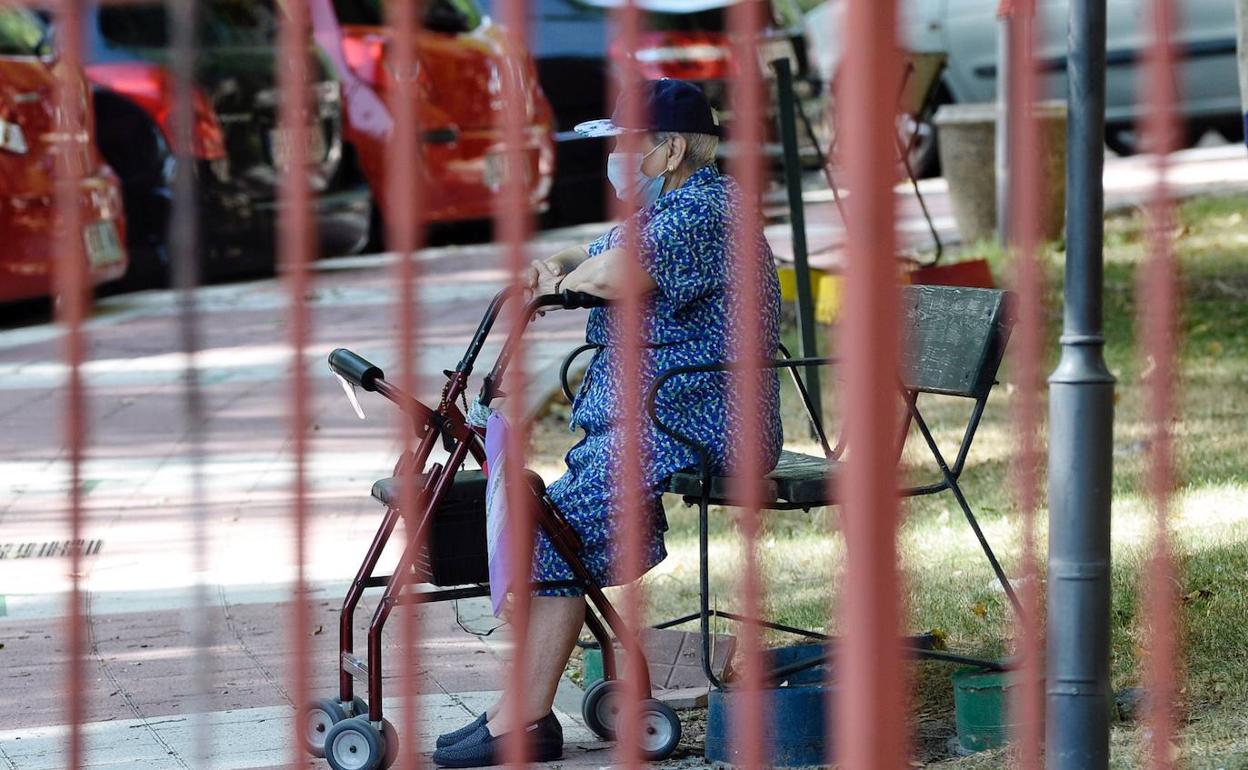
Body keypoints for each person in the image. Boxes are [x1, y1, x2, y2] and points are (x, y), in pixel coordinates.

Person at [431, 78, 783, 768]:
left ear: (672, 146)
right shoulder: (674, 206)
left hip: (701, 422)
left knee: (555, 532)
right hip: (660, 418)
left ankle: (523, 720)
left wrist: (575, 279)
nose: (619, 159)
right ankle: (521, 712)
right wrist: (553, 265)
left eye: (629, 145)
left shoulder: (706, 213)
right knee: (553, 527)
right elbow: (596, 251)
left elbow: (617, 271)